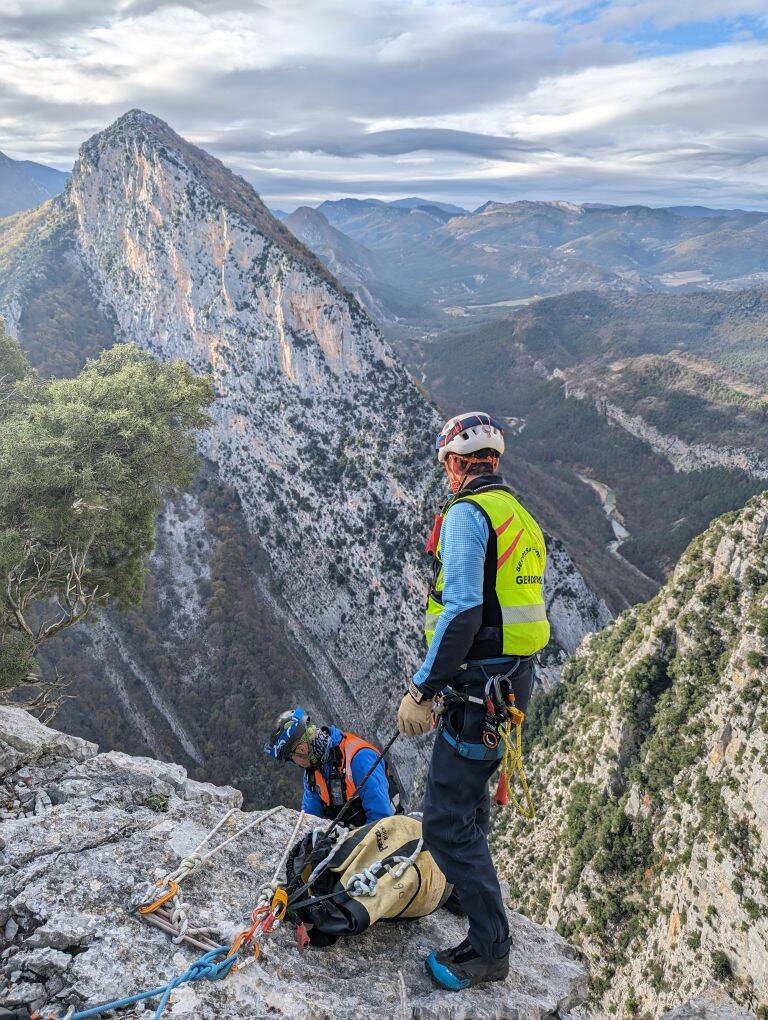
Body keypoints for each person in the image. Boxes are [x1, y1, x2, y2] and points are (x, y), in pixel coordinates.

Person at [397, 411, 550, 991]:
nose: (447, 475)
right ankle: (464, 894)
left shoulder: (468, 515)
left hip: (477, 690)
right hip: (511, 682)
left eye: (447, 466)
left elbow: (461, 611)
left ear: (457, 464)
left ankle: (490, 949)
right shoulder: (520, 516)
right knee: (471, 800)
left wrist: (422, 689)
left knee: (442, 822)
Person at [264, 708, 397, 827]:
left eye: (291, 758)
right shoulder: (312, 774)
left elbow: (382, 820)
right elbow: (308, 822)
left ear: (302, 749)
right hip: (353, 840)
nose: (295, 763)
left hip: (389, 837)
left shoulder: (360, 759)